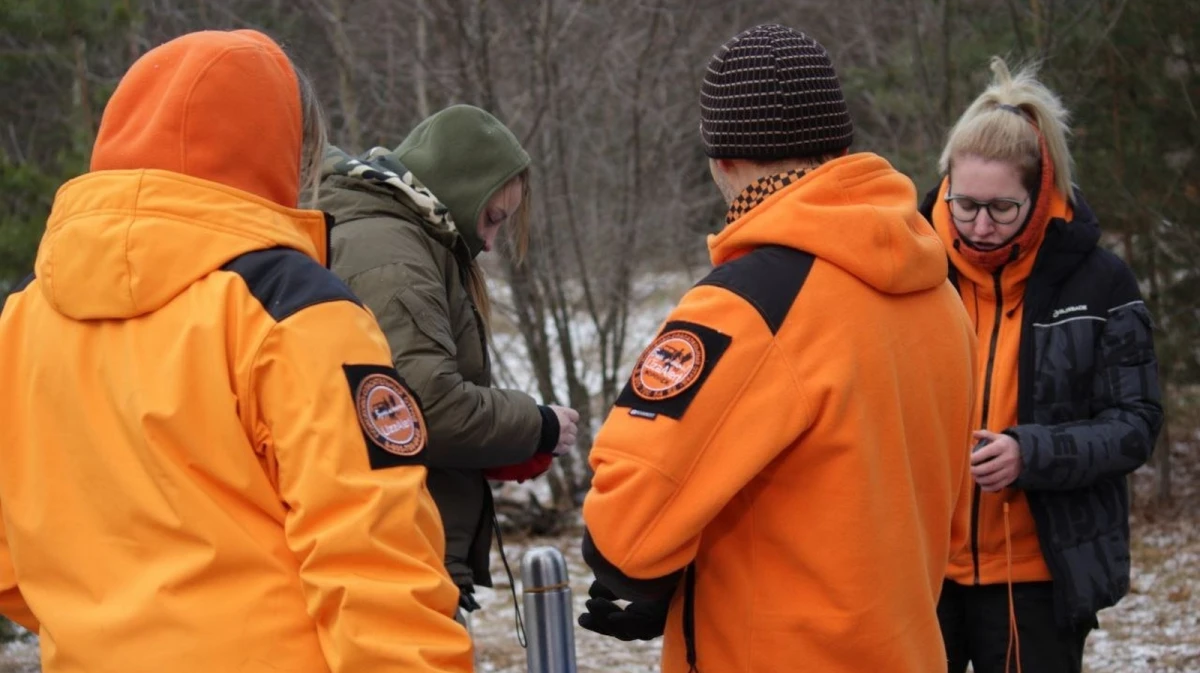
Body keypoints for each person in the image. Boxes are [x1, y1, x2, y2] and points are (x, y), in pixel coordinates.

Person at [0, 30, 472, 673]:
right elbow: (376, 564)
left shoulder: (23, 319)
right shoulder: (292, 309)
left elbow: (13, 564)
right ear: (284, 151)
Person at [577, 24, 977, 673]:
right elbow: (944, 522)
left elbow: (626, 531)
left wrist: (657, 573)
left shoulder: (749, 303)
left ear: (723, 160)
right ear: (840, 145)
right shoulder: (940, 295)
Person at [922, 57, 1163, 673]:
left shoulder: (1101, 281)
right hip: (918, 574)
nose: (980, 226)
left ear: (1041, 192)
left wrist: (1032, 453)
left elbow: (1135, 424)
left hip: (1037, 579)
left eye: (1002, 208)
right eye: (964, 204)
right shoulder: (911, 271)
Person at [319, 104, 580, 622]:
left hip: (398, 552)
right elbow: (421, 409)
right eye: (492, 219)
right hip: (395, 559)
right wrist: (536, 425)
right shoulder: (391, 254)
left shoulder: (403, 240)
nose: (490, 243)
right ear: (459, 191)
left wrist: (501, 445)